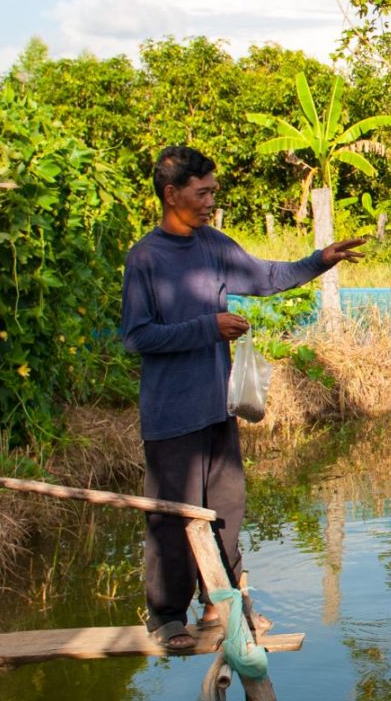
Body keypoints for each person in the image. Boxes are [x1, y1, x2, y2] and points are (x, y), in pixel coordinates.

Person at [121, 145, 363, 650]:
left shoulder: (213, 245)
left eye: (213, 192)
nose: (210, 202)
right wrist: (207, 328)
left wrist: (320, 261)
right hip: (171, 415)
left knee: (226, 510)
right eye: (202, 193)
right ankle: (166, 615)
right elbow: (137, 337)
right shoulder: (146, 257)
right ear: (172, 194)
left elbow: (266, 277)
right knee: (172, 515)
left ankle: (221, 605)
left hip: (217, 408)